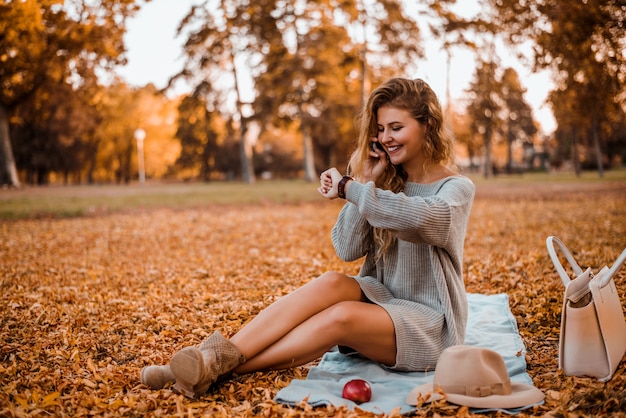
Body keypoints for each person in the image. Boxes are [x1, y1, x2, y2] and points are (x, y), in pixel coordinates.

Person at [140, 77, 476, 399]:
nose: (386, 137)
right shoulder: (382, 184)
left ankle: (214, 371)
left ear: (427, 125)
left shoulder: (456, 189)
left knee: (341, 315)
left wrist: (350, 188)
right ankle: (211, 358)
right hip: (386, 299)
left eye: (397, 128)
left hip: (431, 324)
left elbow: (420, 218)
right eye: (381, 129)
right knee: (333, 281)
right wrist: (366, 179)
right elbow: (346, 248)